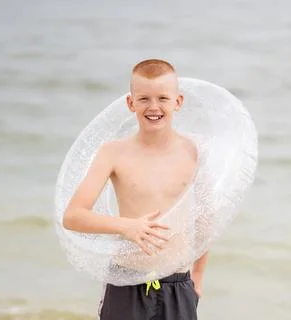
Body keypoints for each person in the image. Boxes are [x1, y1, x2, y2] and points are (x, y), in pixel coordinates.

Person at [62, 59, 209, 320]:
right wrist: (126, 227)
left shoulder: (195, 152)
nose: (154, 107)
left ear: (178, 101)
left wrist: (197, 276)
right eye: (144, 99)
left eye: (163, 98)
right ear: (131, 103)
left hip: (177, 282)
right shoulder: (113, 152)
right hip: (126, 283)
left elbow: (205, 217)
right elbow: (73, 216)